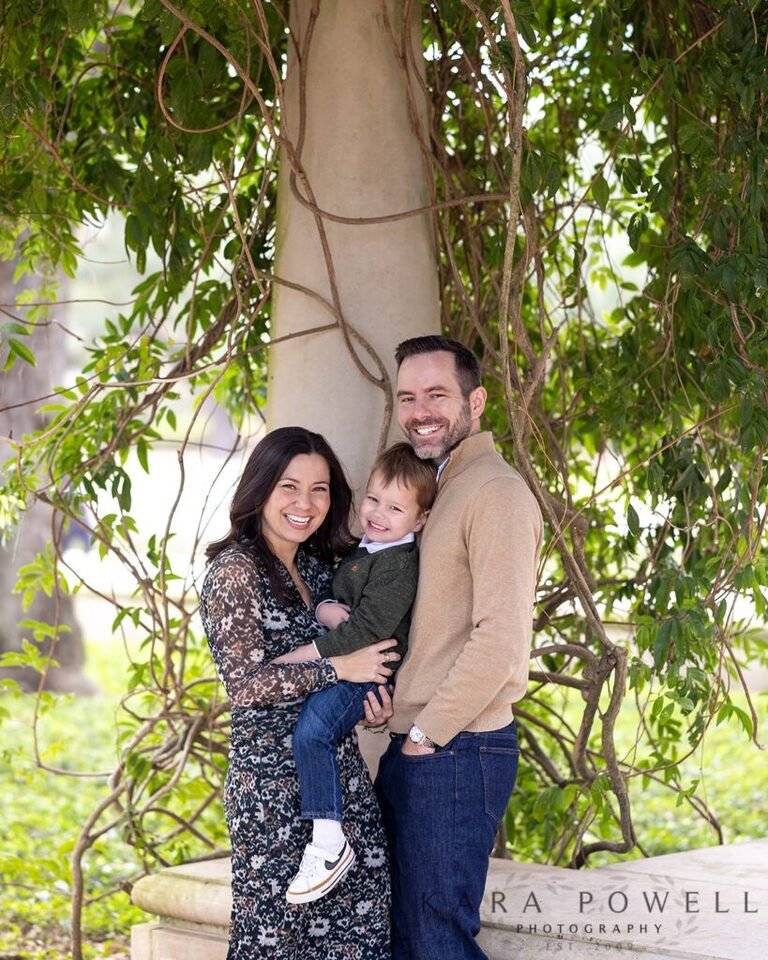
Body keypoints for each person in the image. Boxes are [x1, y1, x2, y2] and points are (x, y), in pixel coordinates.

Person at [374, 335, 544, 960]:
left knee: (437, 942)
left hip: (455, 749)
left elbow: (501, 640)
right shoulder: (439, 489)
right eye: (409, 397)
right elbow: (433, 626)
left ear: (475, 401)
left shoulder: (494, 493)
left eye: (438, 395)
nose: (421, 410)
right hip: (423, 746)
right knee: (409, 941)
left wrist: (427, 735)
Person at [199, 426, 397, 960]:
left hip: (340, 788)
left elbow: (352, 663)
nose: (304, 503)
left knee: (360, 937)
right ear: (261, 488)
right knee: (276, 943)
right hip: (271, 795)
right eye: (289, 486)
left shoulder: (318, 568)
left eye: (320, 488)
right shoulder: (234, 573)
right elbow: (246, 685)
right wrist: (341, 669)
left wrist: (368, 705)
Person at [272, 443, 437, 904]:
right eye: (374, 500)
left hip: (368, 672)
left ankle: (328, 843)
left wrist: (306, 655)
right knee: (311, 733)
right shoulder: (368, 548)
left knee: (313, 733)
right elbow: (339, 601)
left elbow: (365, 631)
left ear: (419, 521)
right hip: (352, 669)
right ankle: (326, 837)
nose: (378, 514)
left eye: (396, 508)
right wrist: (324, 606)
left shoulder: (399, 565)